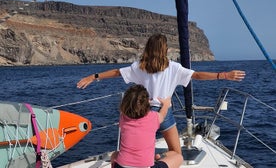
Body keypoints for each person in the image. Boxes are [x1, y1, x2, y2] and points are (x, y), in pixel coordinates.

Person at [77, 33, 246, 157]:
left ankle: (152, 160)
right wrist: (223, 75)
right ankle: (160, 162)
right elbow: (196, 75)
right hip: (164, 111)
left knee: (139, 152)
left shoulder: (139, 67)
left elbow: (116, 73)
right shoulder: (174, 68)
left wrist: (94, 76)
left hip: (141, 112)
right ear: (165, 49)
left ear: (148, 48)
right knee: (176, 152)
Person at [110, 84, 183, 168]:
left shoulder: (123, 118)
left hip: (121, 166)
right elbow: (162, 115)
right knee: (178, 157)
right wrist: (166, 104)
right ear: (148, 102)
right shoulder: (153, 117)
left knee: (115, 155)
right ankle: (160, 157)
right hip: (145, 166)